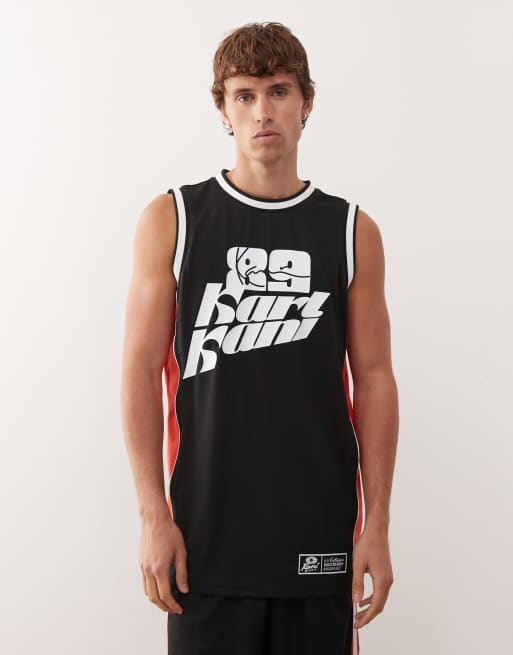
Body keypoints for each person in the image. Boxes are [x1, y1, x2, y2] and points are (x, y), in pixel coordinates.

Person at [121, 21, 398, 655]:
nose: (262, 111)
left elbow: (375, 380)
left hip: (319, 538)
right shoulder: (174, 220)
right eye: (244, 95)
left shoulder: (351, 231)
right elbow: (138, 371)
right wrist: (153, 516)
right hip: (203, 544)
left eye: (278, 91)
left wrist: (377, 524)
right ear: (223, 109)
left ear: (307, 102)